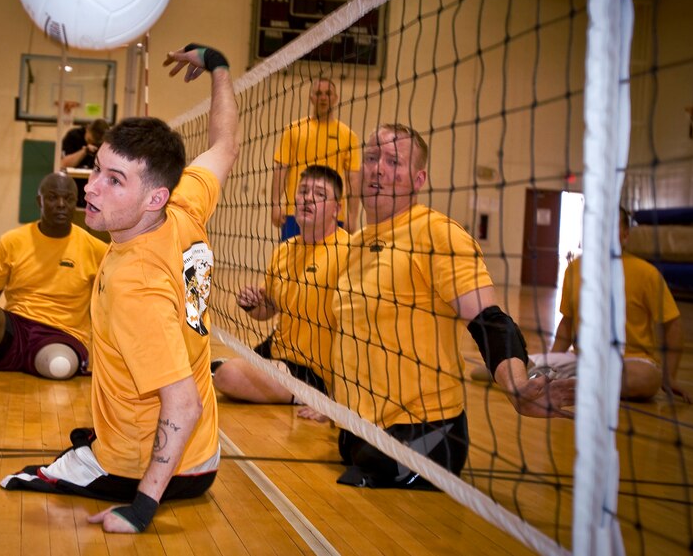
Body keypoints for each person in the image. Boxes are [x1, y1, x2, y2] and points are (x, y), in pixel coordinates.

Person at [2, 43, 239, 534]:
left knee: (17, 488)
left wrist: (141, 509)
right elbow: (225, 147)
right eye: (98, 170)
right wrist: (218, 66)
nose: (90, 188)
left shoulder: (137, 286)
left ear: (154, 196)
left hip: (146, 468)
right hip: (204, 453)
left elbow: (182, 404)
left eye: (114, 181)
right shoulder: (182, 207)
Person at [331, 123, 575, 489]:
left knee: (357, 482)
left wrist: (517, 387)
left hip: (428, 432)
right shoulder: (354, 245)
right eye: (371, 158)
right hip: (359, 427)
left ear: (418, 178)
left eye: (393, 161)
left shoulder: (437, 235)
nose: (378, 168)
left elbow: (491, 323)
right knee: (350, 453)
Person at [216, 165, 348, 422]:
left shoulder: (348, 252)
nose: (307, 198)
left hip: (313, 371)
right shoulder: (285, 250)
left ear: (337, 209)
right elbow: (270, 309)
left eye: (320, 194)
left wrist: (339, 397)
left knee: (227, 375)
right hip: (278, 352)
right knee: (209, 369)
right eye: (303, 191)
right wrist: (254, 305)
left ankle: (310, 393)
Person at [542, 207, 691, 402]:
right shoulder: (575, 269)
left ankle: (578, 384)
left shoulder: (647, 273)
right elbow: (566, 325)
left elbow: (673, 325)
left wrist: (669, 376)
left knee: (645, 379)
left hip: (631, 362)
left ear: (625, 234)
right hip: (583, 360)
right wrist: (551, 363)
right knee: (528, 365)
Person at [0, 171, 108, 379]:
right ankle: (14, 355)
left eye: (69, 198)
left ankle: (16, 359)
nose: (61, 204)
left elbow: (107, 309)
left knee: (59, 367)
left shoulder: (97, 249)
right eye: (53, 197)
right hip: (15, 328)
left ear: (77, 202)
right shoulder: (11, 241)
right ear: (40, 200)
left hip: (62, 334)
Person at [271, 78, 360, 240]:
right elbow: (281, 169)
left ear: (336, 98)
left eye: (328, 93)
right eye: (319, 93)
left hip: (333, 215)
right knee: (292, 264)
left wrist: (353, 216)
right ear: (311, 97)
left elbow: (353, 179)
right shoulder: (294, 130)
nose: (324, 97)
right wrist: (275, 204)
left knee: (333, 264)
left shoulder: (348, 135)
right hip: (296, 212)